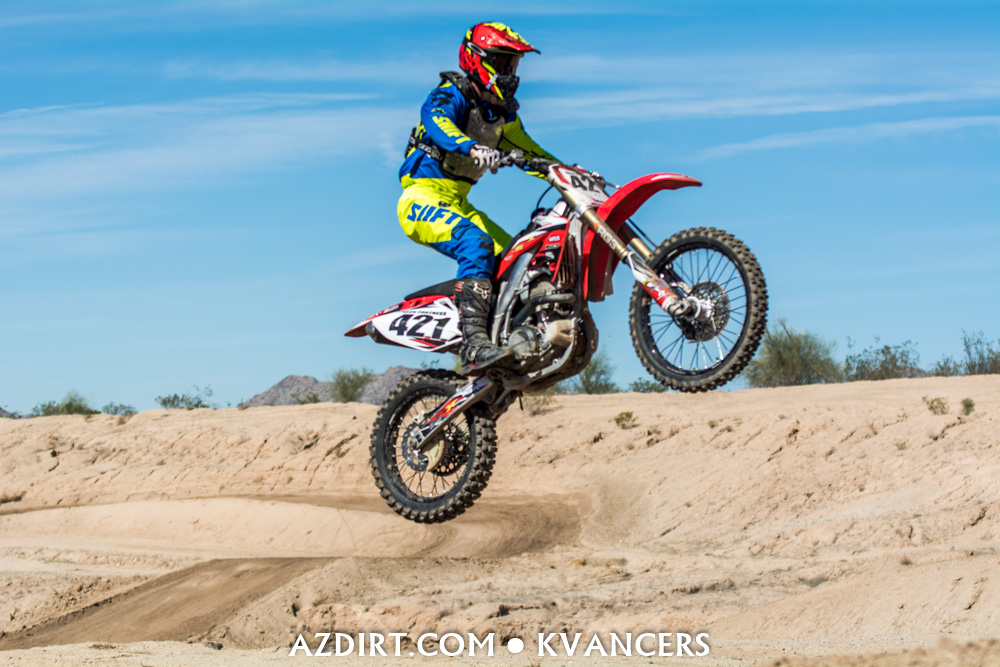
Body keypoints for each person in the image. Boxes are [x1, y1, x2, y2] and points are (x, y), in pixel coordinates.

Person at [398, 21, 558, 375]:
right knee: (477, 245)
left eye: (512, 65)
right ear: (477, 59)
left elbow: (533, 153)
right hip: (420, 199)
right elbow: (435, 120)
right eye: (502, 62)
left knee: (521, 256)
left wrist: (568, 173)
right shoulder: (451, 93)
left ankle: (513, 336)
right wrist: (471, 147)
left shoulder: (501, 116)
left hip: (458, 203)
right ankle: (473, 345)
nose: (509, 73)